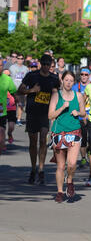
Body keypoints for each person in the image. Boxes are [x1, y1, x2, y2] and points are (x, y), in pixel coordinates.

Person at [18, 54, 60, 184]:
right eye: (45, 64)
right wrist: (32, 90)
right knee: (33, 142)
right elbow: (20, 90)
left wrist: (55, 97)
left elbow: (58, 93)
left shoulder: (54, 78)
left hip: (45, 114)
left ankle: (41, 169)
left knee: (43, 139)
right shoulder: (32, 75)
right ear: (41, 63)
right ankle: (33, 168)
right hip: (32, 112)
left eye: (49, 64)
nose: (47, 66)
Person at [48, 71, 86, 203]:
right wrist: (62, 107)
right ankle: (59, 191)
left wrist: (78, 113)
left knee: (72, 163)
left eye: (71, 80)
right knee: (60, 166)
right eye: (66, 80)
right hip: (59, 133)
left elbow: (84, 113)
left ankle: (69, 181)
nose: (69, 83)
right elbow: (50, 115)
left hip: (74, 132)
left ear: (74, 82)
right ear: (62, 81)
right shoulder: (56, 96)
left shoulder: (79, 96)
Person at [72, 67, 91, 167]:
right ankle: (83, 158)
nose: (84, 76)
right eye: (82, 74)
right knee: (83, 138)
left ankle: (89, 150)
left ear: (89, 76)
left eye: (86, 74)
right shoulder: (75, 87)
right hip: (79, 117)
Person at [0, 58, 17, 154]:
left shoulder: (7, 79)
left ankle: (3, 143)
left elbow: (13, 92)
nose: (0, 67)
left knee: (2, 130)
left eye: (1, 65)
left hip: (2, 108)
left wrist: (16, 99)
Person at [9, 53, 29, 126]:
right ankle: (12, 118)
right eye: (19, 58)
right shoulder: (12, 67)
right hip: (13, 89)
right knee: (12, 105)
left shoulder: (26, 69)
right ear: (16, 59)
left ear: (23, 60)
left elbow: (27, 79)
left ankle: (18, 119)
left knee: (21, 105)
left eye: (21, 58)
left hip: (21, 90)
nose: (20, 60)